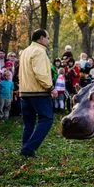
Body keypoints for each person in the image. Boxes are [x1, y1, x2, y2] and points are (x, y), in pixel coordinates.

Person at [19, 29, 58, 157]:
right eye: (47, 37)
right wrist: (51, 87)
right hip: (38, 92)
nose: (48, 40)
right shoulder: (39, 51)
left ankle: (26, 147)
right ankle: (29, 148)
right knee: (47, 119)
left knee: (29, 122)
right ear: (41, 38)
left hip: (25, 92)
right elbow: (40, 73)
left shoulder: (25, 51)